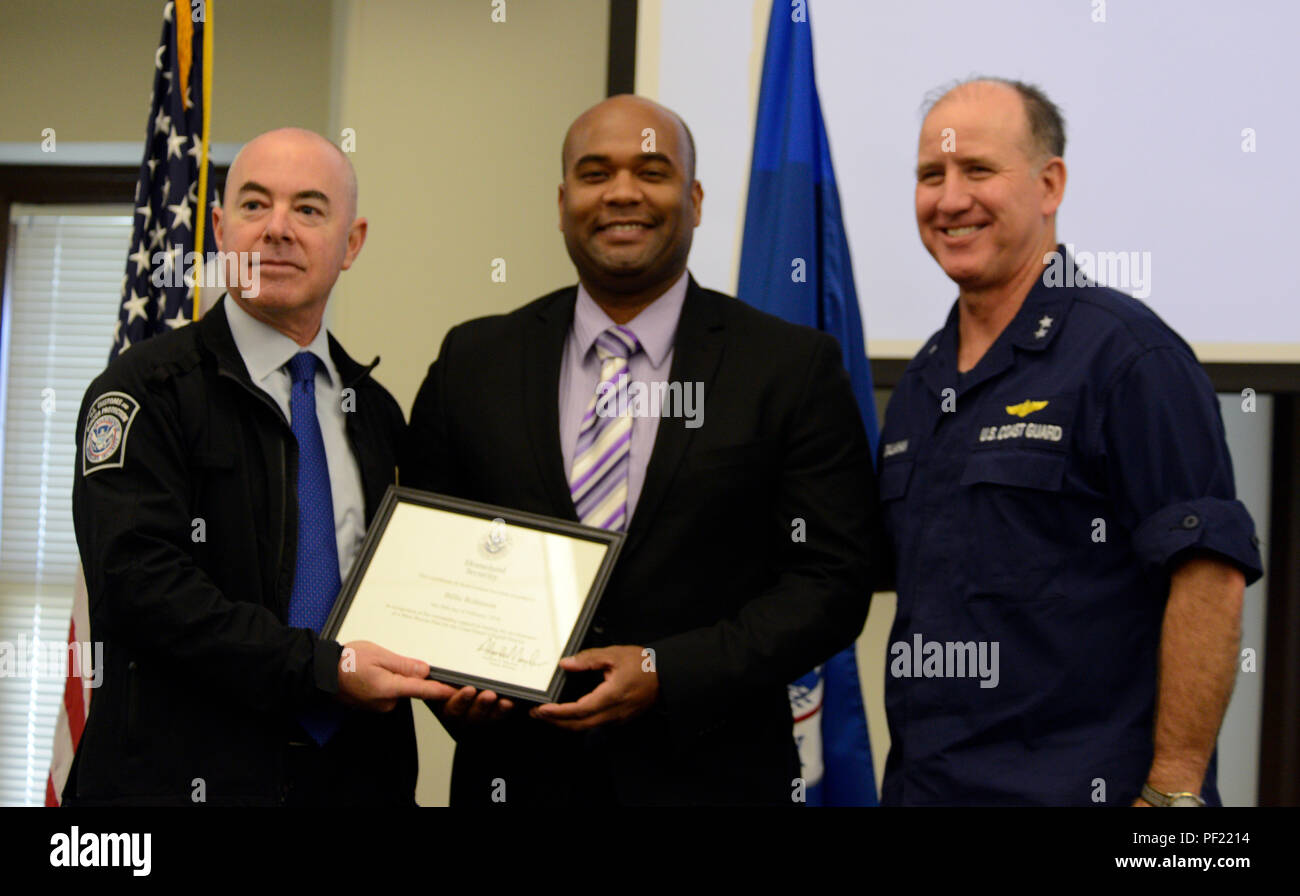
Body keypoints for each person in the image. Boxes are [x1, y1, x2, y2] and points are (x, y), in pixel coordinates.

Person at [404, 95, 878, 805]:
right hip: (518, 778)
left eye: (651, 171)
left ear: (694, 198)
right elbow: (423, 560)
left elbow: (832, 583)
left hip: (715, 781)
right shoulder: (474, 359)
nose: (622, 192)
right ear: (563, 202)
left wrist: (668, 670)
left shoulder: (789, 366)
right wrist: (450, 685)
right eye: (595, 174)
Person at [876, 78, 1263, 806]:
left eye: (978, 171)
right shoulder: (924, 379)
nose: (950, 199)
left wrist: (1174, 799)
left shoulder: (1129, 355)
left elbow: (1208, 578)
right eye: (932, 175)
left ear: (1048, 184)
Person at [67, 128, 453, 806]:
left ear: (352, 242)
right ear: (219, 228)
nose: (277, 229)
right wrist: (324, 671)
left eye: (308, 209)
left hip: (356, 786)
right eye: (254, 205)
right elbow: (140, 586)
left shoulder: (376, 415)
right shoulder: (145, 391)